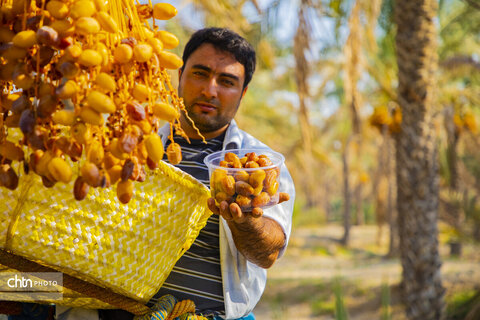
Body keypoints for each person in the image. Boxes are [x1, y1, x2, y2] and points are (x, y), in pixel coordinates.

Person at [13, 27, 295, 320]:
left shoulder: (260, 165)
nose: (210, 90)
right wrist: (16, 292)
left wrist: (246, 220)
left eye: (226, 81)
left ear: (243, 92)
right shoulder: (129, 145)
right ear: (180, 74)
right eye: (200, 73)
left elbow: (268, 255)